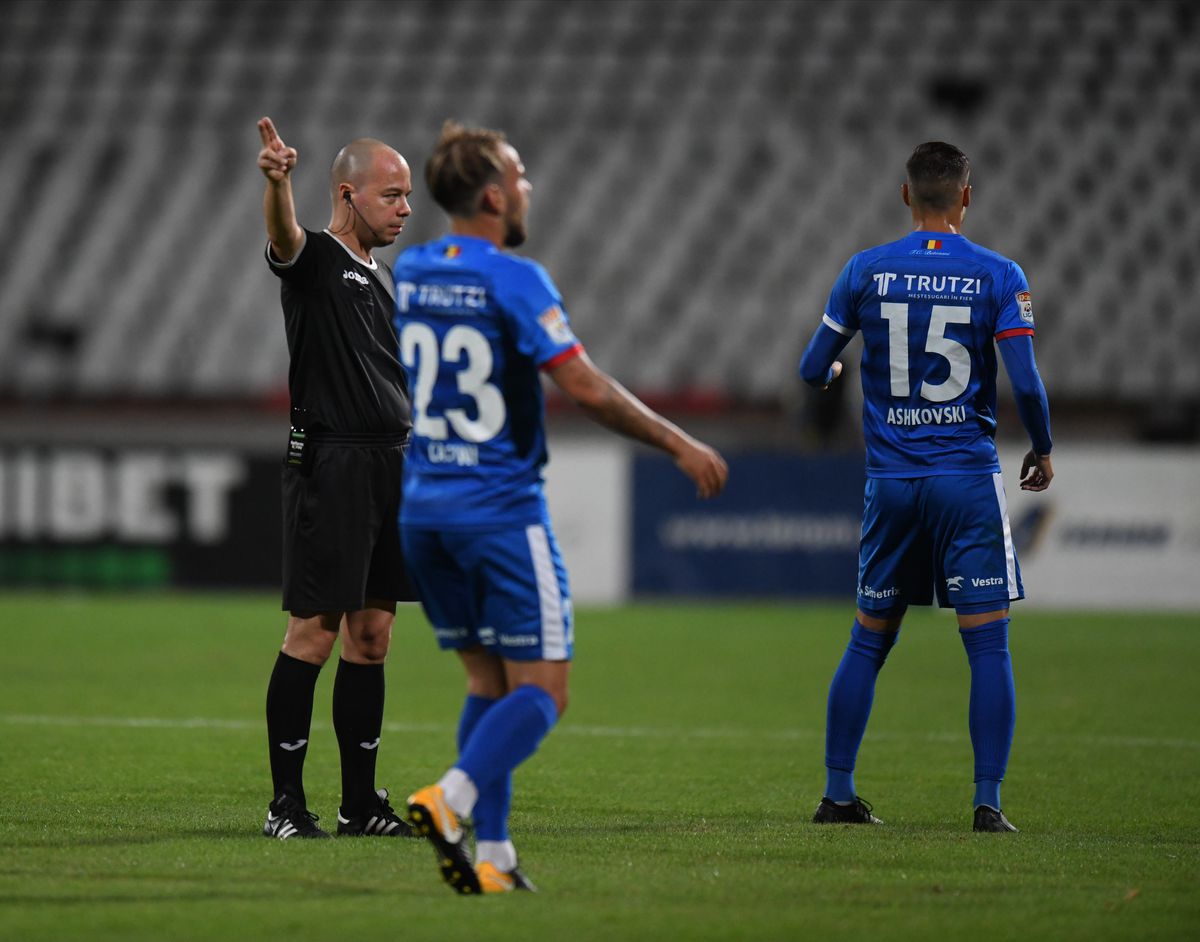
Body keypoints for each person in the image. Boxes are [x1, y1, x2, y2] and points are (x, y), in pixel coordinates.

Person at [393, 121, 729, 893]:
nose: (527, 188)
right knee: (544, 691)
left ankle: (495, 857)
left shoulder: (411, 269)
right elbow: (584, 388)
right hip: (499, 513)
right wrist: (678, 443)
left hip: (424, 512)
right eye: (517, 176)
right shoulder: (517, 280)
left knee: (488, 684)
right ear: (491, 196)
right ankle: (450, 799)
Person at [798, 141, 1053, 833]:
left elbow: (813, 366)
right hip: (965, 481)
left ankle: (837, 795)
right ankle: (987, 804)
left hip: (892, 482)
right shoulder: (998, 274)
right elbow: (1027, 383)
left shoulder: (865, 269)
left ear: (905, 194)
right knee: (988, 646)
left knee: (868, 641)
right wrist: (1043, 447)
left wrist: (832, 375)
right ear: (966, 196)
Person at [256, 116, 420, 840]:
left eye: (407, 195)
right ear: (349, 195)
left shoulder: (380, 276)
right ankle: (285, 805)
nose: (405, 208)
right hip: (333, 464)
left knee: (373, 636)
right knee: (313, 635)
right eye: (393, 195)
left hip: (390, 463)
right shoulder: (318, 259)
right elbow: (285, 241)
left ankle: (360, 806)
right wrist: (278, 183)